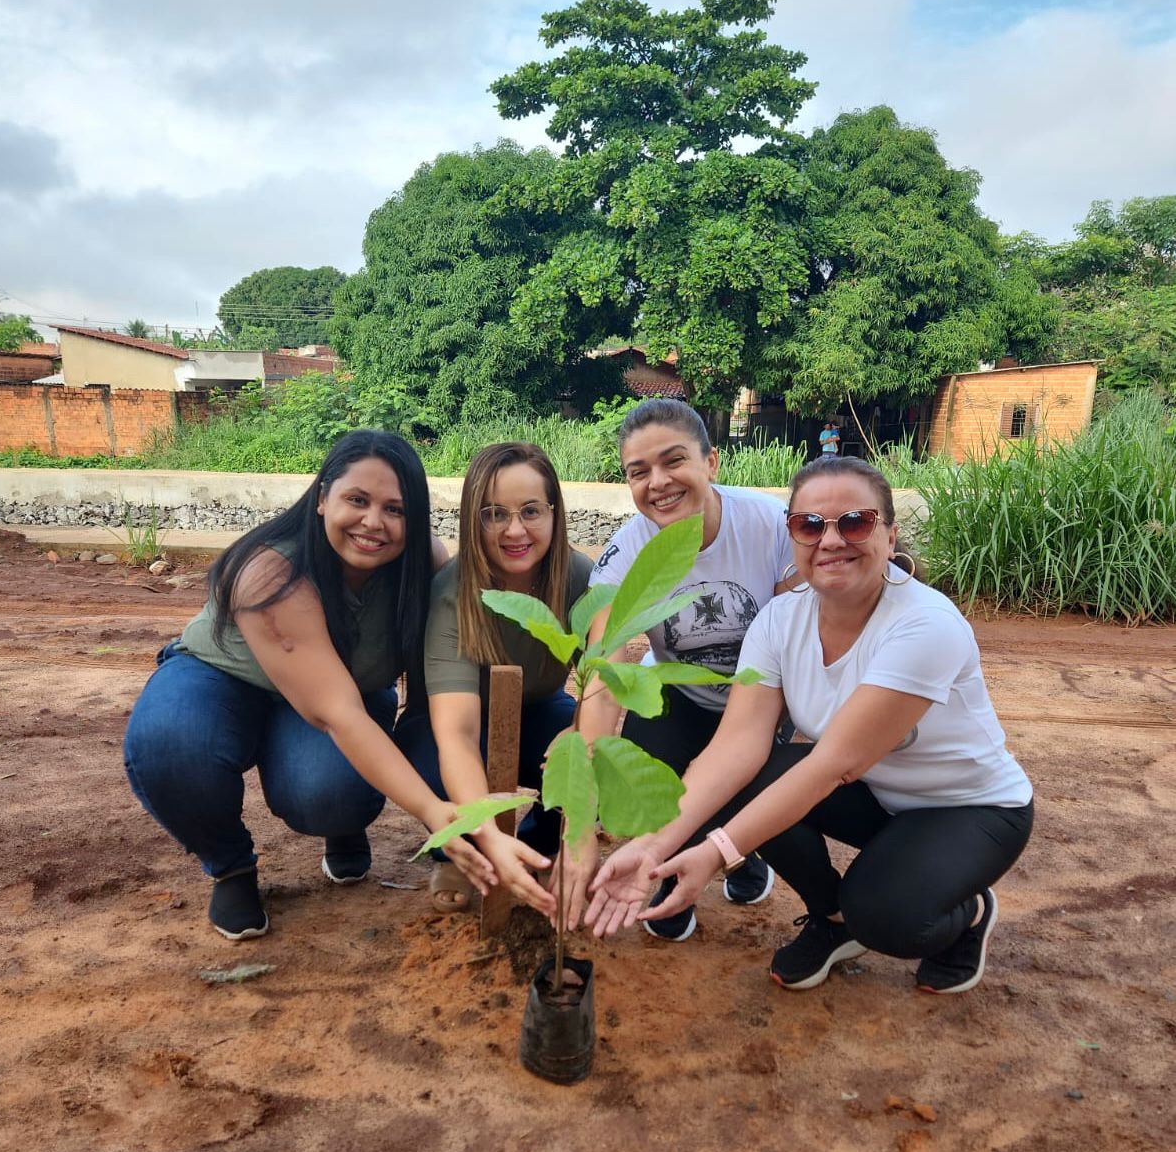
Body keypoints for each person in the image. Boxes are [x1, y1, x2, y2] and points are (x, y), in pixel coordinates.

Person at [586, 455, 1034, 995]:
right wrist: (653, 847)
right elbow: (736, 745)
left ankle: (964, 913)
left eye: (856, 522)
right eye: (809, 525)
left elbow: (831, 766)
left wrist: (714, 854)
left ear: (890, 536)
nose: (831, 540)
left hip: (967, 809)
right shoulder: (779, 619)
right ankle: (832, 919)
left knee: (886, 916)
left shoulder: (926, 626)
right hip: (876, 797)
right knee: (745, 779)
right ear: (792, 536)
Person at [123, 430, 488, 941]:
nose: (373, 523)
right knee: (170, 743)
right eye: (356, 500)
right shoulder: (270, 571)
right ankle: (230, 865)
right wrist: (434, 813)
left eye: (395, 510)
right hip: (224, 679)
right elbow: (338, 713)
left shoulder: (424, 564)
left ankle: (342, 826)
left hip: (340, 699)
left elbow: (437, 695)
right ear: (322, 499)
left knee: (328, 792)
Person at [578, 397, 796, 941]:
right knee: (642, 780)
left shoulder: (771, 526)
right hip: (680, 693)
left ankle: (739, 853)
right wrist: (580, 817)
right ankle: (666, 880)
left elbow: (804, 638)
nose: (658, 482)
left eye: (674, 461)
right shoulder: (626, 554)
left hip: (765, 703)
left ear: (712, 463)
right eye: (638, 471)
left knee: (752, 788)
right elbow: (603, 673)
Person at [397, 442, 591, 923]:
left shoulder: (581, 579)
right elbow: (457, 735)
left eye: (530, 511)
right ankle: (461, 853)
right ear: (471, 519)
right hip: (455, 723)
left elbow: (600, 688)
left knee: (594, 748)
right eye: (494, 514)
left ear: (554, 512)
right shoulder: (453, 593)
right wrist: (488, 833)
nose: (515, 530)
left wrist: (582, 732)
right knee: (432, 756)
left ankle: (536, 849)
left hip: (539, 711)